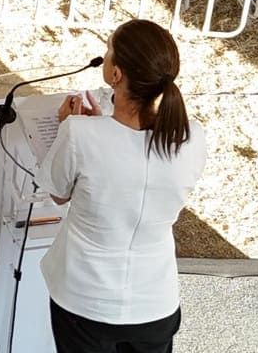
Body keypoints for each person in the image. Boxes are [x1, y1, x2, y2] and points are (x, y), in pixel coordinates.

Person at [36, 20, 205, 353]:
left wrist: (69, 129)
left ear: (116, 75)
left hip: (85, 301)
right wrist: (97, 127)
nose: (105, 54)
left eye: (109, 49)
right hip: (156, 302)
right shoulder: (193, 136)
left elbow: (58, 194)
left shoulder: (79, 134)